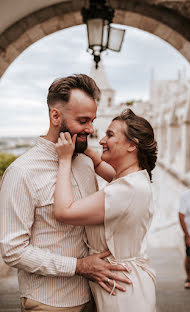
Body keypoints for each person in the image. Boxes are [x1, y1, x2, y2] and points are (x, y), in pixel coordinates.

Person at [0, 74, 131, 312]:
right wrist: (78, 266)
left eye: (92, 120)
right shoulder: (21, 172)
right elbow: (13, 251)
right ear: (55, 116)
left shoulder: (85, 162)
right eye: (83, 121)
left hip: (95, 296)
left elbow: (130, 183)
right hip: (49, 302)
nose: (91, 129)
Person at [54, 109, 157, 312]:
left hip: (121, 291)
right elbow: (110, 174)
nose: (101, 140)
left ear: (131, 145)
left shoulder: (126, 189)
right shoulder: (135, 179)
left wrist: (65, 160)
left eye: (110, 135)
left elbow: (64, 212)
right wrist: (90, 154)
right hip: (124, 283)